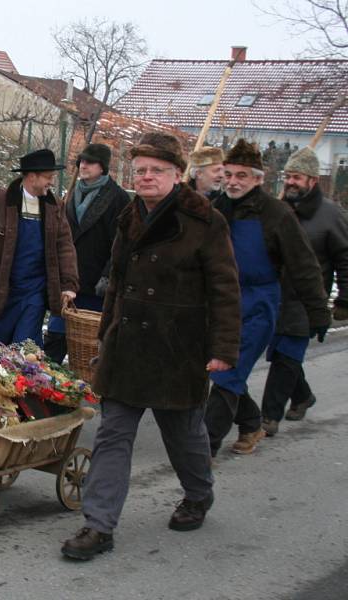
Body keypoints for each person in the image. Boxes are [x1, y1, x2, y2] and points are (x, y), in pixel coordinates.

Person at [61, 133, 241, 561]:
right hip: (127, 348)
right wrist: (106, 335)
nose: (145, 177)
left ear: (178, 175)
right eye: (139, 169)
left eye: (155, 170)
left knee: (183, 437)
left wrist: (222, 348)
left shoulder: (206, 222)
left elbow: (225, 289)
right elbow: (117, 286)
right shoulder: (128, 216)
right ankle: (98, 526)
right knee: (113, 436)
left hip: (177, 349)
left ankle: (198, 494)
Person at [205, 139, 330, 456]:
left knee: (227, 373)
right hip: (219, 303)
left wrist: (318, 313)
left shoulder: (277, 215)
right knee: (222, 373)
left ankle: (204, 447)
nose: (233, 182)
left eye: (242, 176)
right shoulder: (216, 210)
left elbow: (304, 266)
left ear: (258, 179)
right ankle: (251, 422)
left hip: (259, 305)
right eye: (229, 174)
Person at [0, 148, 78, 362]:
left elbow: (65, 247)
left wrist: (68, 285)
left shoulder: (54, 206)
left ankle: (22, 394)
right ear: (32, 176)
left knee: (24, 354)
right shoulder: (2, 199)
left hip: (34, 294)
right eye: (48, 177)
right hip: (0, 291)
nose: (52, 182)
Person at [260, 147, 348, 435]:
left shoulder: (331, 216)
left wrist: (344, 300)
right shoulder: (279, 209)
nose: (290, 182)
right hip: (275, 296)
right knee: (280, 352)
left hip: (307, 299)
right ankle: (302, 396)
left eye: (296, 177)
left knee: (286, 356)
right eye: (288, 176)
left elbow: (345, 259)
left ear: (312, 180)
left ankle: (268, 418)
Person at [44, 144, 130, 364]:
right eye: (81, 161)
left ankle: (84, 393)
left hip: (95, 285)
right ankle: (48, 391)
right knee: (55, 338)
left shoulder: (118, 198)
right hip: (69, 281)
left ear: (102, 167)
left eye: (89, 162)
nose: (83, 165)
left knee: (86, 346)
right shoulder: (72, 192)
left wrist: (108, 275)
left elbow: (122, 243)